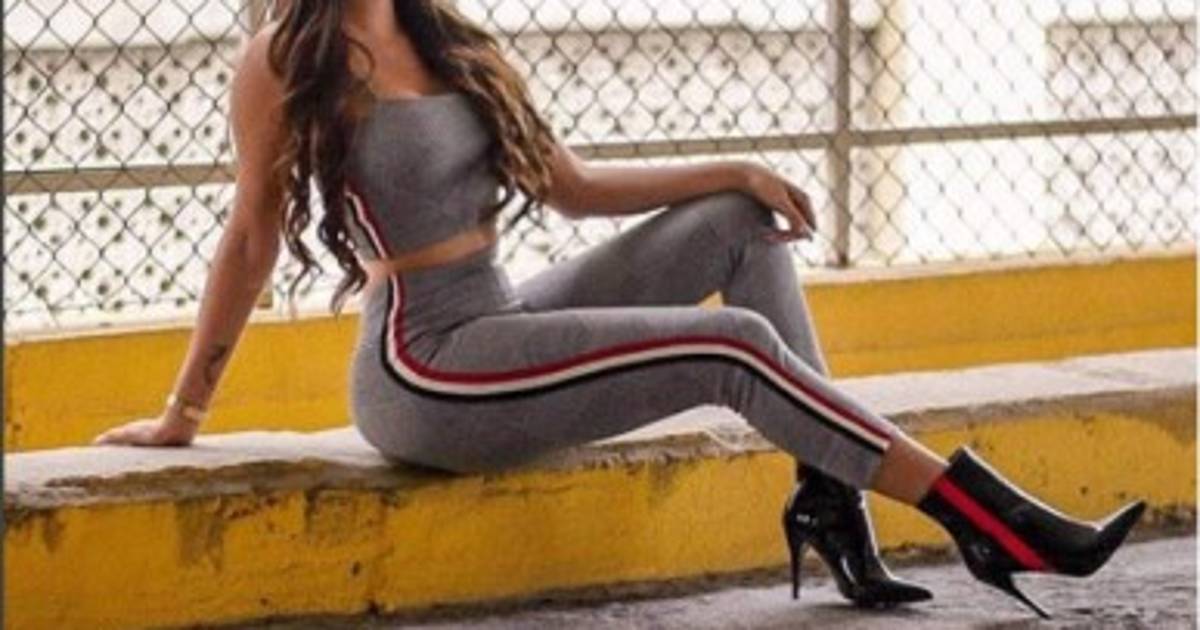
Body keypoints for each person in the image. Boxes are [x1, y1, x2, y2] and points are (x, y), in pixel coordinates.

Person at [94, 0, 1145, 619]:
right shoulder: (286, 59)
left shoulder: (450, 40)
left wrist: (736, 168)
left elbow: (573, 186)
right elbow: (249, 235)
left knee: (740, 221)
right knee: (733, 346)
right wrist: (187, 411)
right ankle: (986, 524)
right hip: (424, 367)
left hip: (501, 314)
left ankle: (830, 499)